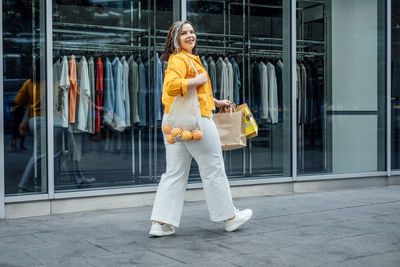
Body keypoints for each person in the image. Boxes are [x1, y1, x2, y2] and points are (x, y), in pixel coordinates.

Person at [149, 20, 253, 237]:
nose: (190, 36)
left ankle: (160, 223)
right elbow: (170, 86)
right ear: (175, 40)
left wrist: (216, 102)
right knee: (214, 168)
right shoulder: (179, 59)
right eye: (183, 33)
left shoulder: (187, 59)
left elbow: (192, 96)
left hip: (175, 121)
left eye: (192, 32)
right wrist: (197, 80)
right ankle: (230, 217)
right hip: (195, 122)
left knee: (174, 173)